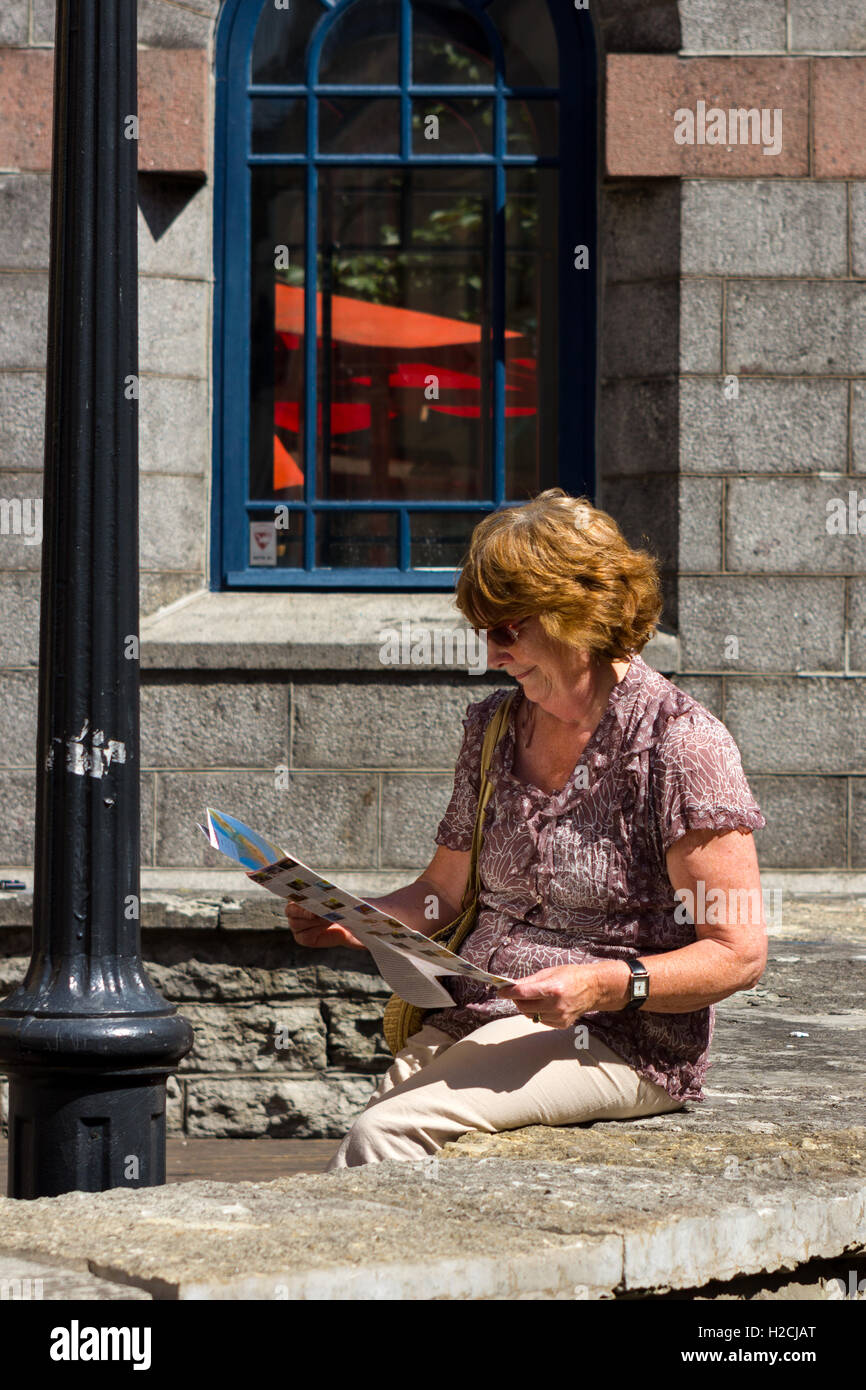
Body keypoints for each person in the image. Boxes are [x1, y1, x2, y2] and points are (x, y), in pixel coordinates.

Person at [285, 489, 768, 1168]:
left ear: (580, 612)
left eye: (506, 629)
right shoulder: (492, 729)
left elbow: (739, 953)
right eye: (482, 631)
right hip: (480, 1014)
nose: (490, 654)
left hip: (617, 1038)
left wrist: (602, 983)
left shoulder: (682, 746)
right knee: (383, 1112)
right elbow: (442, 896)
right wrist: (359, 918)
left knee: (386, 1135)